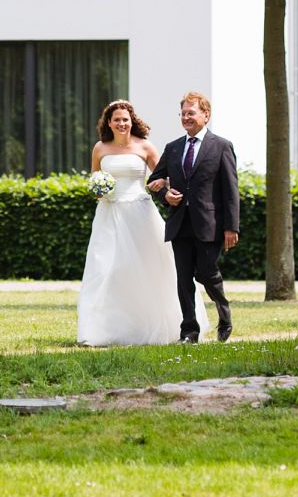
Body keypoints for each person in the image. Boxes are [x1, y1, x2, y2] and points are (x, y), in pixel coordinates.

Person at [77, 100, 202, 346]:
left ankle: (160, 326)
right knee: (105, 270)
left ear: (132, 120)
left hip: (139, 213)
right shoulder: (100, 148)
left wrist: (168, 192)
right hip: (108, 214)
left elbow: (163, 176)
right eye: (117, 120)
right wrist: (98, 190)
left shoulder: (145, 146)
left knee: (148, 269)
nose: (122, 123)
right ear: (109, 123)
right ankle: (101, 330)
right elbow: (94, 179)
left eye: (125, 119)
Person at [146, 91, 240, 343]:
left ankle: (224, 313)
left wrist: (232, 227)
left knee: (207, 274)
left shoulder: (221, 146)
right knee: (184, 276)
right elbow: (154, 180)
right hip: (180, 223)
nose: (186, 117)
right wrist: (165, 194)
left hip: (210, 224)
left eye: (191, 113)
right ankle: (189, 331)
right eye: (183, 114)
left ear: (205, 115)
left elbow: (231, 191)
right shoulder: (173, 147)